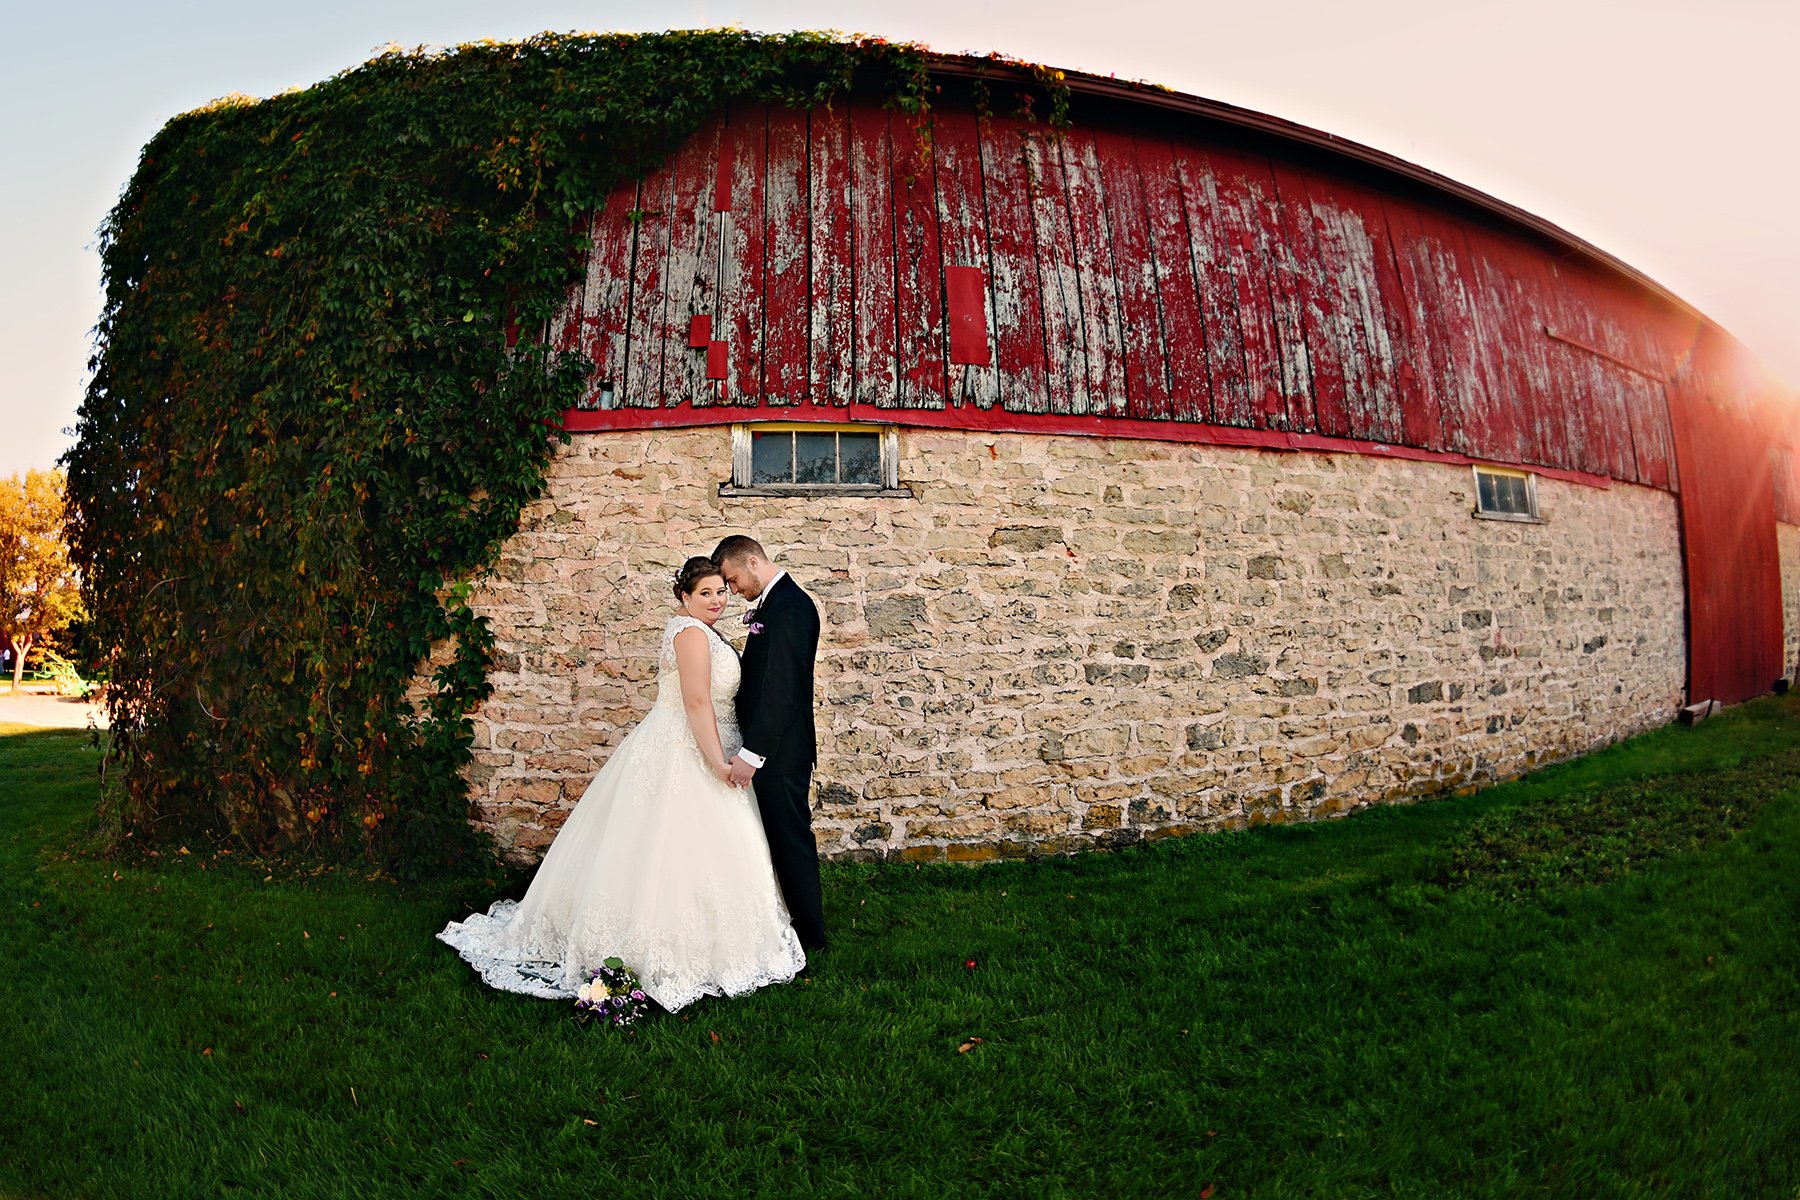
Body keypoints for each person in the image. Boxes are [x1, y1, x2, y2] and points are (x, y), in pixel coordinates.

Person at [437, 557, 805, 1011]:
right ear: (683, 598)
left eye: (720, 591)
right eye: (705, 593)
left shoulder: (706, 632)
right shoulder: (689, 633)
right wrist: (717, 763)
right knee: (664, 847)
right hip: (688, 748)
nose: (716, 600)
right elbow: (694, 703)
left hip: (716, 742)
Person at [711, 535, 827, 952]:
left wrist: (752, 753)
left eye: (733, 579)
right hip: (769, 748)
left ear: (754, 562)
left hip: (779, 752)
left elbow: (782, 689)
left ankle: (812, 938)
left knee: (790, 841)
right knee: (776, 840)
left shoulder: (792, 608)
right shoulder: (774, 605)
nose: (733, 590)